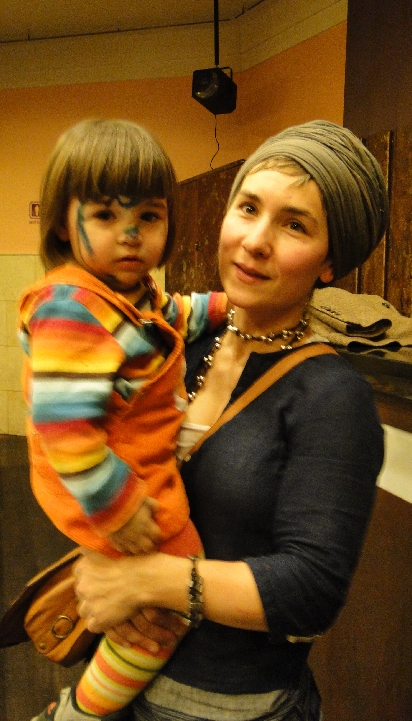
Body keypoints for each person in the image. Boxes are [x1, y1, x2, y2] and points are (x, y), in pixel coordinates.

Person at [73, 120, 389, 721]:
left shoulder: (332, 396)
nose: (255, 241)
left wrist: (149, 582)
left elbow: (312, 588)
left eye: (294, 225)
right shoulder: (180, 342)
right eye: (248, 208)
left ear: (329, 263)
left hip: (226, 703)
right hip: (116, 672)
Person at [19, 119, 226, 721]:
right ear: (64, 222)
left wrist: (232, 305)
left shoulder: (134, 295)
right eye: (106, 215)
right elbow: (65, 431)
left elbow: (176, 315)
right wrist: (116, 508)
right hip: (109, 480)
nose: (131, 234)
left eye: (149, 216)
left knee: (137, 592)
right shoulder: (72, 309)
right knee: (169, 605)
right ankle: (80, 713)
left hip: (125, 464)